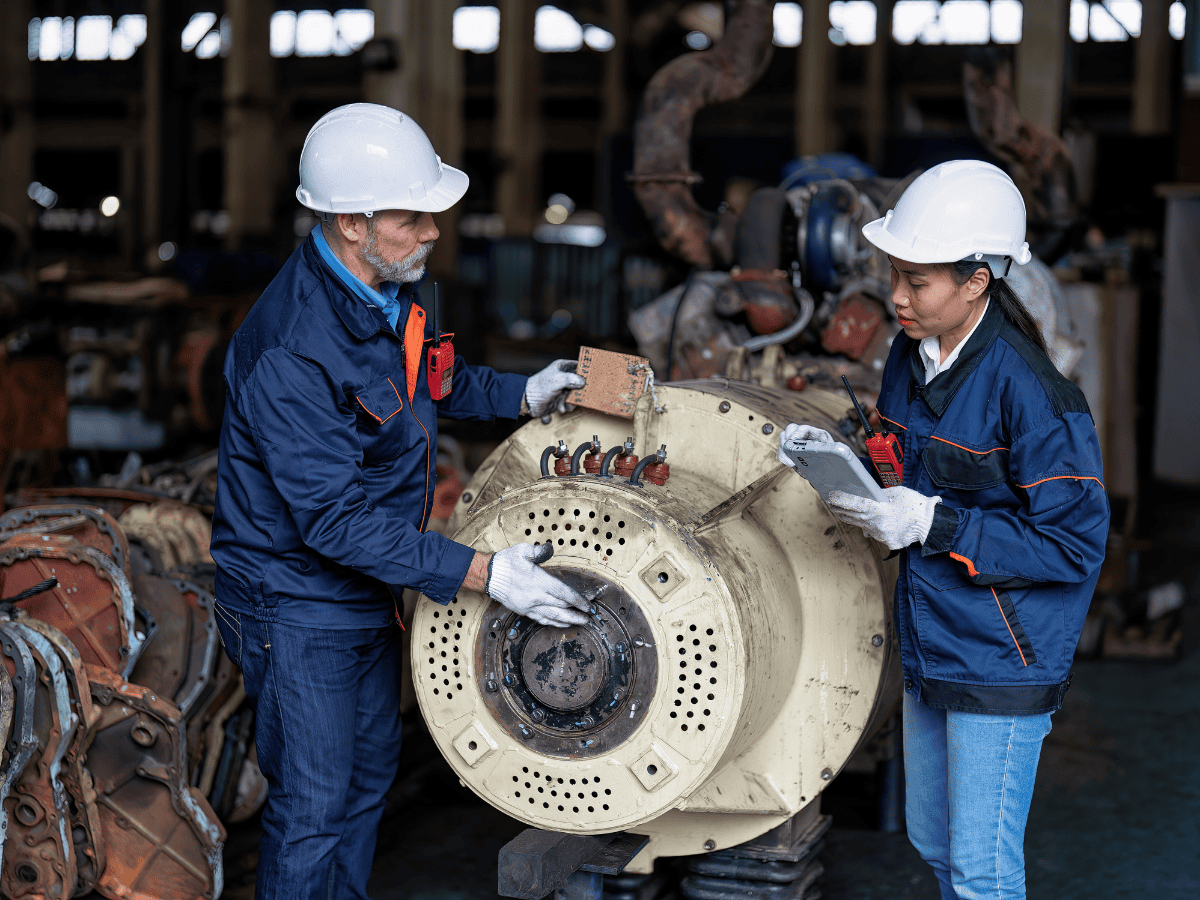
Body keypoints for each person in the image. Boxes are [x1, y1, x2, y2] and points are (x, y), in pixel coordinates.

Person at [210, 103, 593, 900]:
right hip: (296, 604)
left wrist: (523, 392)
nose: (431, 232)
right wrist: (483, 572)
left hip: (371, 589)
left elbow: (426, 385)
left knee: (362, 791)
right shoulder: (292, 349)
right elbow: (332, 520)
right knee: (313, 809)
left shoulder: (386, 297)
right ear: (351, 221)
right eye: (412, 216)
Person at [778, 160, 1108, 900]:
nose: (896, 296)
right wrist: (853, 472)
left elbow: (1075, 545)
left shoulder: (1036, 397)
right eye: (894, 274)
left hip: (1002, 655)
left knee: (984, 871)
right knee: (933, 841)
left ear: (976, 282)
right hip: (933, 639)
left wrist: (933, 519)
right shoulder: (911, 352)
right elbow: (907, 459)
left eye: (916, 281)